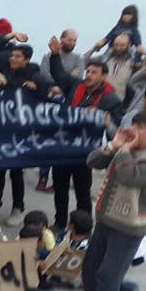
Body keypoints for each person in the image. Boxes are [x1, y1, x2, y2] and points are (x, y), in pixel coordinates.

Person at [70, 113, 146, 291]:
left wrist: (124, 150)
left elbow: (129, 176)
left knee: (109, 274)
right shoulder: (122, 149)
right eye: (133, 127)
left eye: (140, 129)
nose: (132, 132)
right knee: (90, 269)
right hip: (105, 220)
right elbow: (92, 161)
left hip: (129, 228)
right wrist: (114, 145)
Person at [47, 36, 125, 230]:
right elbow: (60, 75)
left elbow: (115, 133)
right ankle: (59, 223)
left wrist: (105, 120)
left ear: (103, 76)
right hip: (63, 147)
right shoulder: (76, 86)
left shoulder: (111, 99)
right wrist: (56, 55)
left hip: (86, 153)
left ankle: (83, 228)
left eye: (94, 72)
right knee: (60, 189)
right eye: (87, 71)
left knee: (82, 192)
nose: (88, 75)